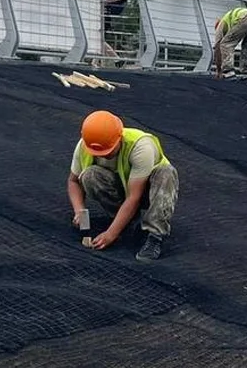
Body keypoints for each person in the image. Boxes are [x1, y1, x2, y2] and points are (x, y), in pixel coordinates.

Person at [67, 110, 179, 262]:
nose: (101, 155)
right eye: (97, 152)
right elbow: (73, 181)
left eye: (107, 151)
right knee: (90, 175)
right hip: (123, 188)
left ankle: (154, 235)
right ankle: (127, 222)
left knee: (166, 173)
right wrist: (79, 209)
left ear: (119, 138)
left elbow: (134, 197)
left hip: (149, 191)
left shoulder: (141, 147)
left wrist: (110, 234)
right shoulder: (85, 146)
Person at [212, 6, 247, 79]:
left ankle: (228, 71)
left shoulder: (220, 25)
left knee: (226, 44)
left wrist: (218, 70)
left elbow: (217, 49)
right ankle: (246, 72)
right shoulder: (229, 19)